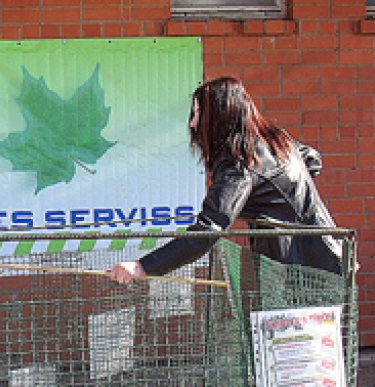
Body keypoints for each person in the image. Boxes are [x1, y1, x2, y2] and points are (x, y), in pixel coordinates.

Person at [106, 76, 343, 284]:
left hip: (302, 270)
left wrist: (143, 266)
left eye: (198, 114)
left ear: (219, 118)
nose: (193, 123)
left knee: (293, 335)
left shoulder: (239, 163)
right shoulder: (276, 141)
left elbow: (210, 228)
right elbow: (313, 160)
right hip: (323, 261)